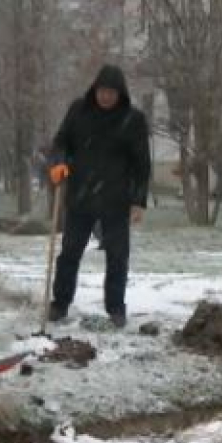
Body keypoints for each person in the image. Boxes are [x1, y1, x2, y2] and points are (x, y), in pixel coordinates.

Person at [46, 64, 152, 329]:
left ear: (120, 94)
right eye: (102, 91)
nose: (105, 97)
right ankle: (60, 304)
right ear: (95, 89)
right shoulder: (78, 111)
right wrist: (58, 163)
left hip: (116, 199)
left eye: (111, 93)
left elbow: (142, 164)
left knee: (117, 256)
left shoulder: (133, 120)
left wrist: (138, 201)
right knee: (70, 252)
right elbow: (61, 142)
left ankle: (116, 308)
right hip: (80, 196)